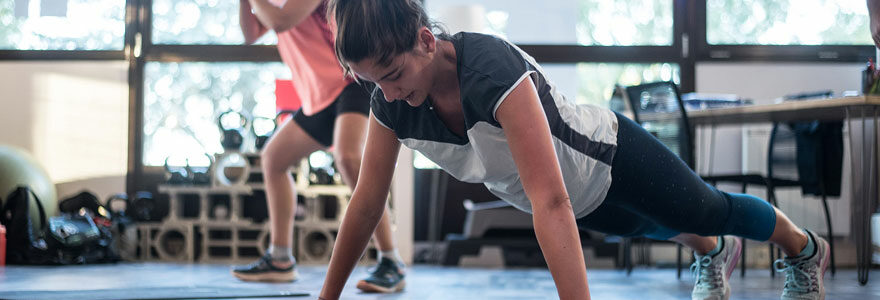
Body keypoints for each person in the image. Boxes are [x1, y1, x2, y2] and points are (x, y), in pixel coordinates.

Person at [317, 0, 831, 299]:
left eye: (392, 75)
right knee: (648, 225)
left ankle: (804, 247)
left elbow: (552, 202)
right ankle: (715, 251)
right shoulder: (390, 102)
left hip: (608, 157)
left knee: (705, 208)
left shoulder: (489, 69)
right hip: (581, 200)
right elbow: (365, 204)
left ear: (427, 42)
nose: (385, 93)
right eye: (370, 83)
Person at [233, 0, 405, 293]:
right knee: (273, 159)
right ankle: (280, 259)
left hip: (351, 81)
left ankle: (391, 261)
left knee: (348, 156)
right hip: (319, 98)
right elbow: (250, 33)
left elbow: (281, 21)